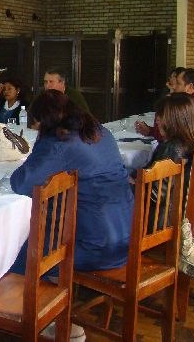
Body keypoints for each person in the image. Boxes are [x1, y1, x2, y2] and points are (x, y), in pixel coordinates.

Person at [10, 90, 133, 273]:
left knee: (16, 256)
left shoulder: (60, 142)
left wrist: (41, 141)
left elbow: (22, 183)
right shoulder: (101, 132)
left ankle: (39, 299)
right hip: (128, 238)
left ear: (45, 121)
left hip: (96, 247)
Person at [142, 93, 194, 228]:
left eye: (160, 116)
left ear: (175, 120)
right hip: (182, 215)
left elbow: (156, 196)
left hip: (161, 221)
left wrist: (135, 183)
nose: (156, 120)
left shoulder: (172, 149)